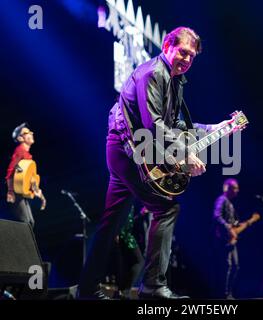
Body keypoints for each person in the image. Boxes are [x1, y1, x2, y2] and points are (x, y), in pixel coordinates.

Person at [78, 26, 226, 299]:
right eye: (183, 52)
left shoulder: (174, 79)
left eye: (192, 56)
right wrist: (185, 154)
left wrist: (216, 128)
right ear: (167, 45)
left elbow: (176, 126)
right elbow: (155, 126)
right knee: (166, 209)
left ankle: (86, 290)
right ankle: (153, 287)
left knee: (112, 223)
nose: (187, 60)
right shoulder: (153, 73)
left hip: (129, 152)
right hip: (127, 151)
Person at [5, 123, 45, 228]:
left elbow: (30, 176)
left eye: (30, 131)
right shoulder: (19, 151)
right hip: (16, 191)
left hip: (22, 191)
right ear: (20, 138)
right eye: (26, 132)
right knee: (25, 223)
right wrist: (10, 190)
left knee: (30, 222)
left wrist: (38, 192)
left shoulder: (27, 156)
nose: (31, 133)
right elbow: (11, 168)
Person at [213, 178, 241, 299]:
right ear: (228, 188)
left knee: (235, 266)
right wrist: (228, 229)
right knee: (227, 266)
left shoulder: (230, 203)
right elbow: (216, 216)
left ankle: (229, 293)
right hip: (223, 239)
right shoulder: (222, 200)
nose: (237, 190)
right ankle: (223, 294)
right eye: (235, 188)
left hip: (231, 239)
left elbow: (231, 221)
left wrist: (236, 225)